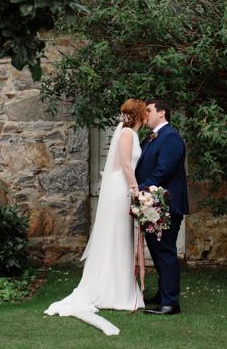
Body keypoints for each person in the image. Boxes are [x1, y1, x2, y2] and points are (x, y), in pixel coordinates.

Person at [44, 98, 146, 335]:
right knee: (117, 237)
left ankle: (118, 287)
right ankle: (114, 291)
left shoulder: (125, 132)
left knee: (119, 237)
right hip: (121, 188)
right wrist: (135, 189)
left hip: (119, 187)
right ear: (139, 114)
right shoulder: (128, 134)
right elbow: (126, 165)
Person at [134, 99, 189, 315]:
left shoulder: (171, 138)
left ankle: (170, 303)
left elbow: (163, 171)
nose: (145, 114)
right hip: (153, 204)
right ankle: (163, 293)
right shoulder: (151, 137)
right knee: (157, 251)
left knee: (165, 251)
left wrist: (139, 189)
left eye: (148, 110)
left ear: (162, 112)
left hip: (167, 204)